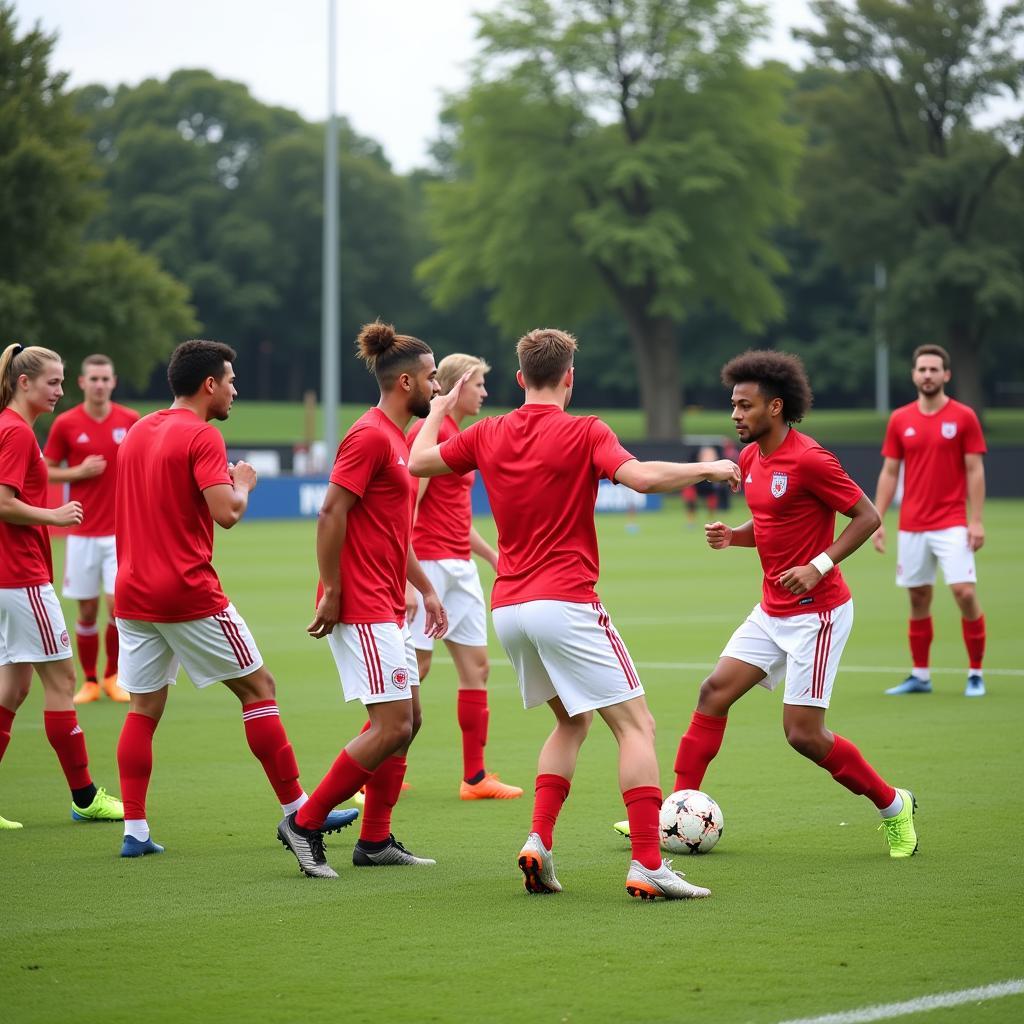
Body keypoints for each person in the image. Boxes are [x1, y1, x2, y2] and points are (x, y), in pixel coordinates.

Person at [410, 327, 740, 900]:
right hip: (565, 601)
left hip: (509, 608)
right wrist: (707, 470)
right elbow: (639, 478)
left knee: (571, 721)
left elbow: (417, 462)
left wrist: (437, 410)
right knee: (638, 726)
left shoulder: (487, 431)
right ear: (569, 376)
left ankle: (538, 840)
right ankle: (647, 864)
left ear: (519, 379)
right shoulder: (585, 430)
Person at [624, 350, 918, 859]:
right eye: (732, 405)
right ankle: (674, 812)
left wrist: (819, 565)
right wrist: (732, 537)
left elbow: (867, 516)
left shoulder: (811, 459)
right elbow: (772, 525)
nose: (735, 414)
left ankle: (894, 806)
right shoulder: (749, 459)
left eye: (745, 405)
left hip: (817, 612)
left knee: (803, 735)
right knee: (713, 692)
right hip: (772, 609)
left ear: (776, 407)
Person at [112, 340, 358, 858]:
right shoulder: (201, 436)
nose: (234, 390)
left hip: (132, 593)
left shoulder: (137, 430)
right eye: (230, 381)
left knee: (144, 707)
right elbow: (227, 512)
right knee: (258, 688)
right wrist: (240, 482)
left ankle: (134, 830)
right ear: (209, 385)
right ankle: (299, 810)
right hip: (186, 592)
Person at [277, 321, 448, 879]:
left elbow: (389, 533)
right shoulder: (371, 435)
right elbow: (331, 512)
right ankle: (305, 823)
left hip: (387, 602)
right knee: (392, 726)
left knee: (409, 719)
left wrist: (423, 587)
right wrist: (331, 589)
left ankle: (375, 841)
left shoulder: (396, 439)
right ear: (405, 382)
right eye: (431, 379)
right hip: (360, 605)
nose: (437, 389)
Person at [0, 343, 124, 830]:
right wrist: (53, 514)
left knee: (14, 688)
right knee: (63, 682)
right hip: (22, 577)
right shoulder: (14, 432)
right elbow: (3, 502)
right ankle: (85, 795)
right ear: (23, 382)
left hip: (10, 577)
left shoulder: (15, 429)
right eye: (53, 381)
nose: (59, 390)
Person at [406, 353, 522, 801]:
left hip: (459, 565)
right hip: (429, 566)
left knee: (476, 668)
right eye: (479, 385)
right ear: (456, 387)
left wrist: (492, 556)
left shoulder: (462, 436)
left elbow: (455, 514)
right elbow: (409, 510)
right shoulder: (428, 434)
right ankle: (371, 772)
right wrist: (407, 580)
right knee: (415, 667)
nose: (485, 393)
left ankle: (474, 778)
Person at [872, 345, 988, 697]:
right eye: (921, 369)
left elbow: (974, 469)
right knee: (919, 597)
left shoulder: (964, 416)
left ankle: (975, 673)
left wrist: (976, 520)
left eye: (934, 369)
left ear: (946, 375)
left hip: (952, 520)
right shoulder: (900, 419)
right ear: (913, 374)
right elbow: (890, 472)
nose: (927, 375)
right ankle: (920, 676)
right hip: (912, 524)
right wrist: (877, 519)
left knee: (964, 593)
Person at [44, 354, 139, 704]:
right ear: (82, 383)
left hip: (120, 534)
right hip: (81, 530)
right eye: (93, 379)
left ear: (113, 382)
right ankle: (89, 681)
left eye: (105, 379)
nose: (99, 385)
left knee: (117, 606)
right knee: (86, 610)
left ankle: (114, 676)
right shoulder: (67, 424)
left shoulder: (130, 420)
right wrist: (77, 473)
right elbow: (45, 469)